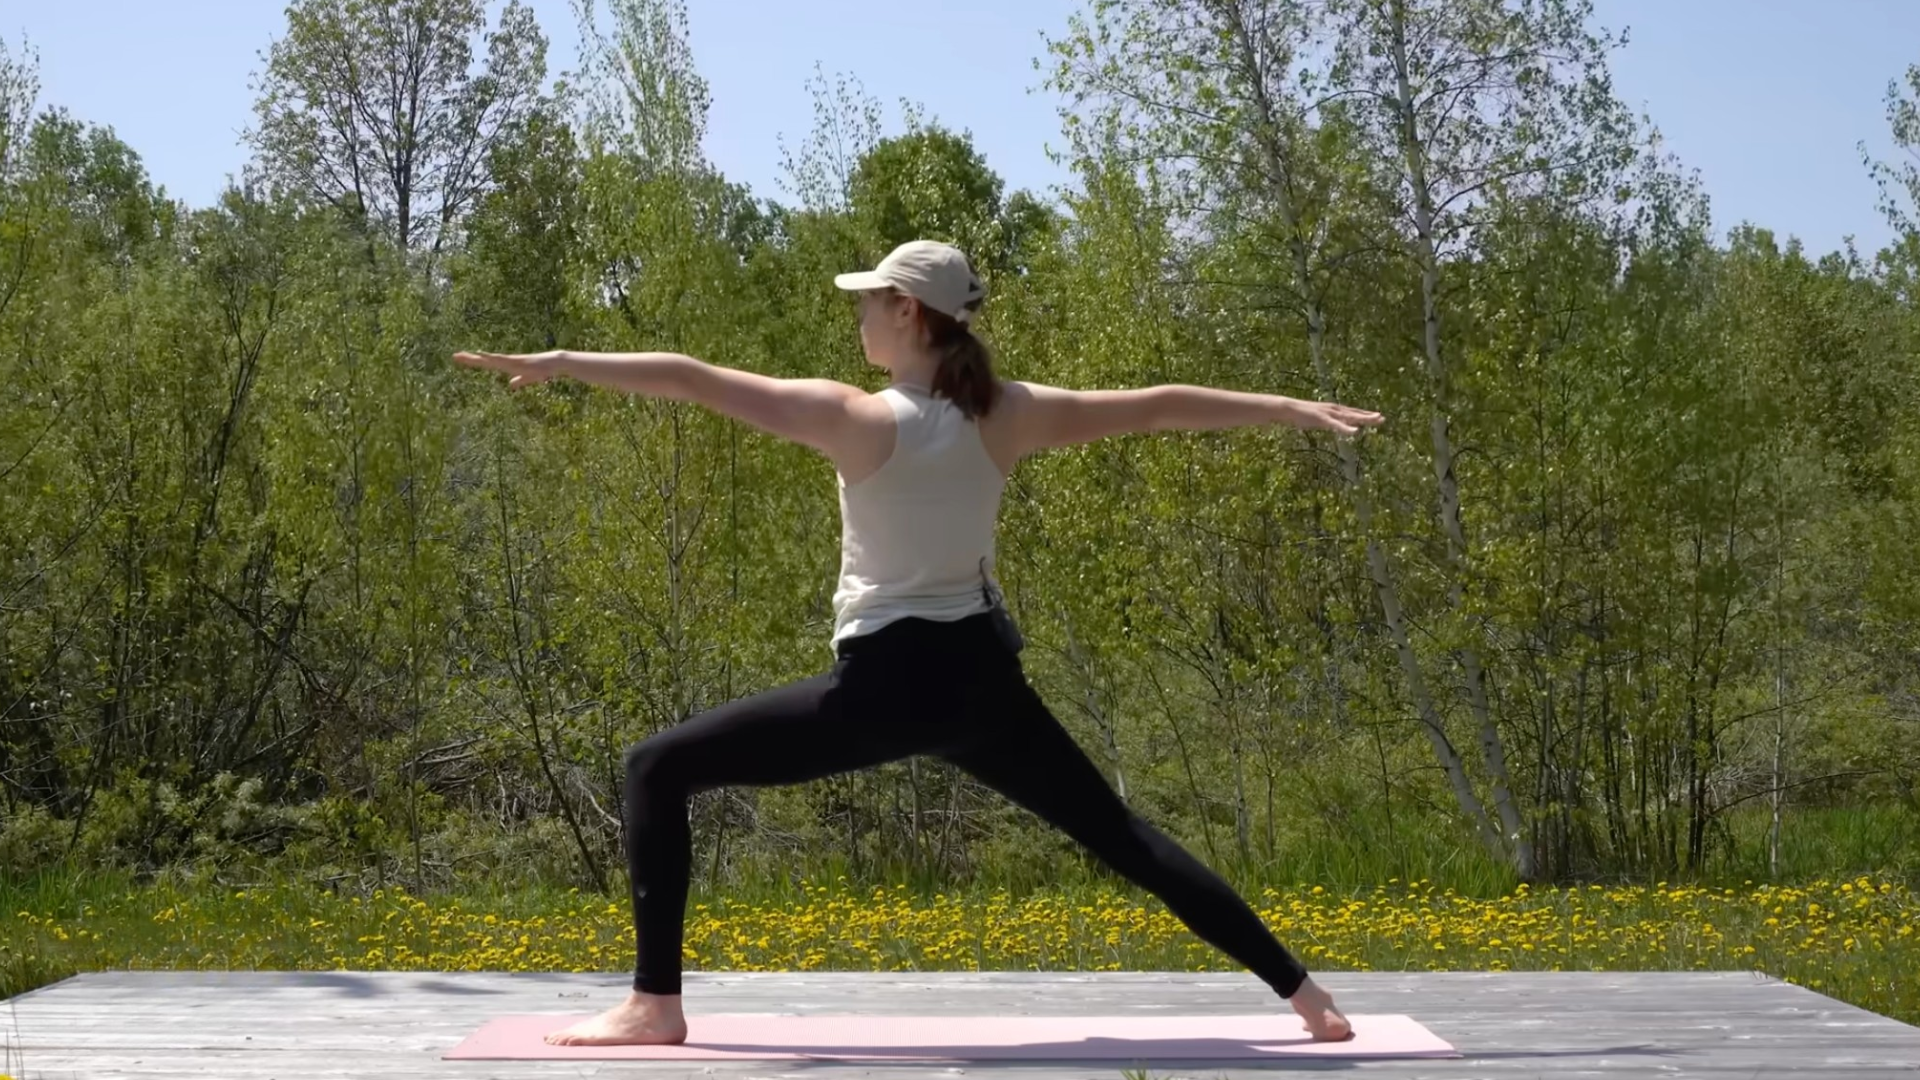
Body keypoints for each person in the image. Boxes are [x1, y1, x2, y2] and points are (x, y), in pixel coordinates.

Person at [453, 239, 1383, 1048]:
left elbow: (692, 378)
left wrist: (566, 358)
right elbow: (1158, 403)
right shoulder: (1009, 412)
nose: (858, 317)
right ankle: (1309, 999)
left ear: (905, 312)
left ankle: (655, 1005)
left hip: (883, 689)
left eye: (867, 303)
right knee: (1123, 838)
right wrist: (1286, 407)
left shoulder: (854, 417)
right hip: (982, 684)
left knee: (655, 767)